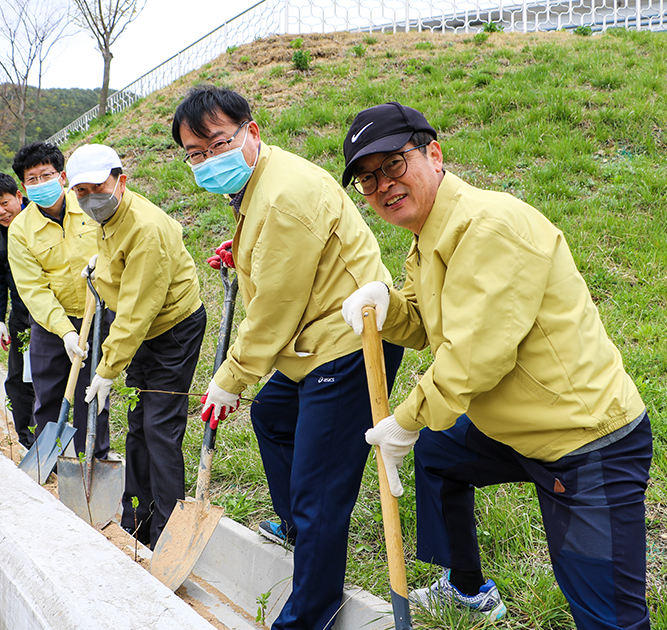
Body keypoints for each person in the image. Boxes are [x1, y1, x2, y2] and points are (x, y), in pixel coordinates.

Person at [340, 102, 651, 629]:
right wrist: (389, 306)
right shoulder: (430, 235)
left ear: (433, 154)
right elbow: (425, 326)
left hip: (583, 444)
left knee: (608, 617)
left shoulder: (489, 226)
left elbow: (473, 359)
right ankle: (466, 589)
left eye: (393, 164)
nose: (383, 186)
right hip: (515, 428)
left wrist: (406, 419)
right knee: (438, 451)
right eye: (368, 181)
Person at [171, 85, 405, 630]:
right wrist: (243, 250)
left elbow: (274, 310)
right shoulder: (261, 185)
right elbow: (283, 256)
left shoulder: (282, 196)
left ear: (252, 132)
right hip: (314, 338)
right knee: (273, 415)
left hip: (347, 343)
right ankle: (303, 531)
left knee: (318, 492)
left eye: (217, 143)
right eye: (196, 154)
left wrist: (229, 378)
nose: (208, 160)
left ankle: (312, 610)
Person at [65, 144, 206, 548]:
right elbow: (119, 262)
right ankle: (137, 520)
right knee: (138, 427)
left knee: (160, 427)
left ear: (120, 180)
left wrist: (106, 371)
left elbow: (135, 314)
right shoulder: (108, 214)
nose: (89, 197)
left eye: (97, 187)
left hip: (171, 330)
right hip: (143, 328)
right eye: (80, 191)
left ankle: (165, 534)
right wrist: (101, 266)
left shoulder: (145, 228)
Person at [7, 141, 110, 460]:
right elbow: (33, 289)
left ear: (62, 176)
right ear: (23, 188)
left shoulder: (90, 207)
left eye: (46, 175)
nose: (40, 183)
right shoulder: (21, 231)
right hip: (51, 323)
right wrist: (64, 331)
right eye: (32, 179)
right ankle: (49, 464)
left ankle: (91, 457)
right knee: (49, 394)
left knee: (91, 394)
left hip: (97, 317)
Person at [0, 173, 36, 449]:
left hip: (53, 314)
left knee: (46, 379)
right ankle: (29, 442)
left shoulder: (38, 218)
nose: (1, 212)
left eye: (5, 202)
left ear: (18, 196)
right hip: (21, 315)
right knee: (18, 380)